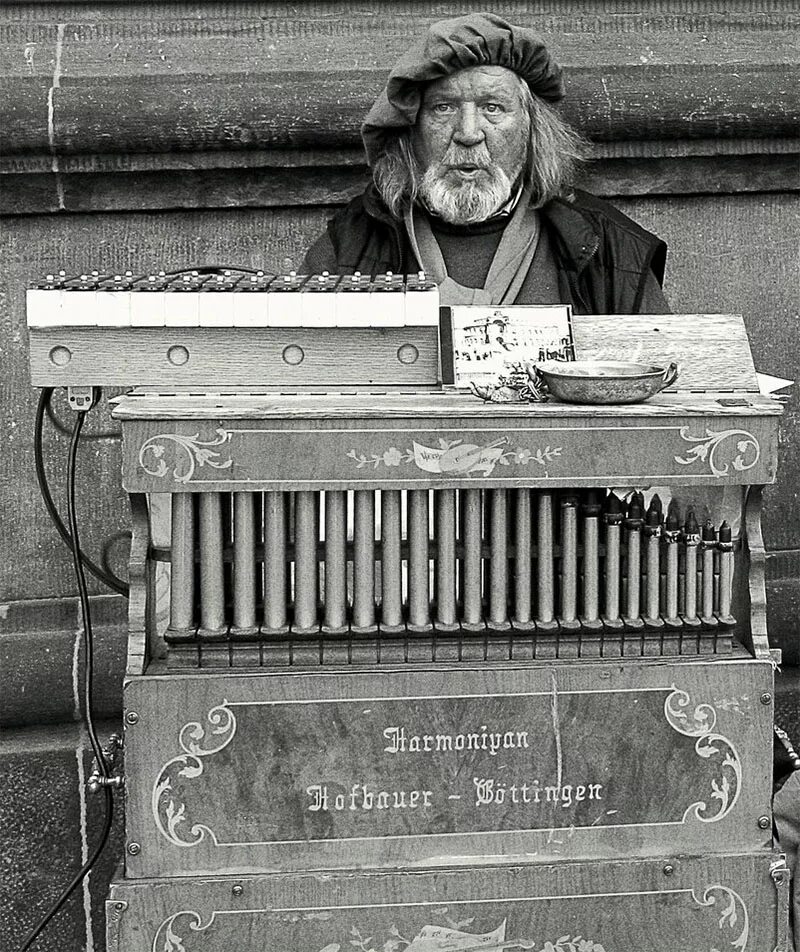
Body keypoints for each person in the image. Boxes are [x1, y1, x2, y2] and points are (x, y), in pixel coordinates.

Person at [304, 12, 669, 314]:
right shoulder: (354, 242)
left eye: (492, 108)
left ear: (531, 129)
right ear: (411, 129)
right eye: (443, 108)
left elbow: (656, 370)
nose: (467, 133)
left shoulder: (606, 246)